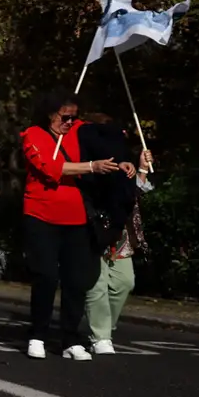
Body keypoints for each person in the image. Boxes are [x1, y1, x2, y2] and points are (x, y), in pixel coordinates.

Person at [20, 89, 125, 361]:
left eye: (73, 117)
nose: (68, 122)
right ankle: (38, 335)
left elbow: (107, 139)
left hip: (76, 216)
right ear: (49, 114)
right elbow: (50, 166)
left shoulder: (78, 131)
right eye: (64, 117)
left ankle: (70, 338)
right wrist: (91, 166)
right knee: (45, 276)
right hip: (41, 215)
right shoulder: (32, 135)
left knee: (76, 280)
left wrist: (127, 158)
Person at [77, 111, 151, 355]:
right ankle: (101, 336)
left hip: (119, 231)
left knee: (124, 281)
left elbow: (133, 194)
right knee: (96, 283)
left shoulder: (123, 161)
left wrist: (141, 169)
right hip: (92, 226)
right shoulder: (85, 158)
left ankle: (106, 326)